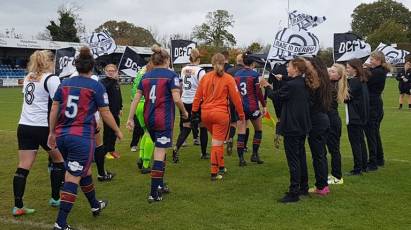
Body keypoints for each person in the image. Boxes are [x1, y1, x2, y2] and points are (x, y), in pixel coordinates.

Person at [48, 47, 123, 230]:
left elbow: (54, 108)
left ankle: (95, 205)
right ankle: (61, 223)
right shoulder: (95, 85)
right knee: (73, 176)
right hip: (80, 138)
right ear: (92, 67)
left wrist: (51, 132)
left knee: (85, 171)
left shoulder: (64, 83)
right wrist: (116, 130)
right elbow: (105, 112)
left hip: (62, 136)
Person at [126, 45, 188, 203]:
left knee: (161, 150)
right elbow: (176, 98)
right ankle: (154, 193)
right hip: (163, 119)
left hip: (148, 118)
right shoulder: (171, 75)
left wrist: (130, 118)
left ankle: (160, 184)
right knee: (159, 153)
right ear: (167, 60)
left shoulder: (146, 76)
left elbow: (135, 98)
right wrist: (184, 112)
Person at [12, 50, 65, 216]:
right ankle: (56, 198)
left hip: (24, 125)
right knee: (59, 161)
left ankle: (18, 206)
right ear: (48, 62)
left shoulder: (29, 77)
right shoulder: (51, 78)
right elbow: (60, 101)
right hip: (42, 126)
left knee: (23, 166)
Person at [262, 57, 312, 203]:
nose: (287, 69)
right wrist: (282, 78)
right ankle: (303, 187)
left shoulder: (294, 85)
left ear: (296, 68)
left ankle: (294, 192)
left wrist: (266, 86)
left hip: (292, 126)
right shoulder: (303, 82)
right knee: (301, 156)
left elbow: (276, 97)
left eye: (289, 67)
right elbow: (289, 84)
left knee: (293, 159)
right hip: (302, 125)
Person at [192, 53, 245, 180]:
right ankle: (214, 172)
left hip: (206, 114)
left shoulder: (205, 78)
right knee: (217, 142)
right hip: (221, 114)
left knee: (218, 140)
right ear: (224, 63)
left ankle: (221, 166)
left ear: (212, 63)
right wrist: (241, 114)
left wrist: (194, 111)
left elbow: (198, 96)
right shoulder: (228, 78)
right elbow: (236, 99)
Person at [172, 48, 209, 162]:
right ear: (198, 58)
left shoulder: (184, 69)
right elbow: (205, 88)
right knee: (203, 127)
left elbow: (182, 85)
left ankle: (176, 147)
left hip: (184, 101)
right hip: (196, 101)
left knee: (186, 127)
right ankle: (203, 153)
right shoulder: (200, 71)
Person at [305, 57, 332, 196]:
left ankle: (321, 186)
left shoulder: (316, 82)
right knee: (320, 154)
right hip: (323, 119)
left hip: (317, 121)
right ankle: (323, 185)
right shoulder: (324, 79)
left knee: (318, 155)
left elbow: (310, 102)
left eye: (308, 65)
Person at [234, 51, 267, 166]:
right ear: (253, 63)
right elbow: (258, 93)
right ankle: (254, 154)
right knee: (258, 130)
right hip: (253, 107)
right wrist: (264, 105)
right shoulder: (255, 75)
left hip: (240, 107)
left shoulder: (237, 74)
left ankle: (241, 159)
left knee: (241, 132)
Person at [364, 51, 390, 169]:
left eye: (373, 59)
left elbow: (365, 80)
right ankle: (379, 159)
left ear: (379, 60)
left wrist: (363, 70)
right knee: (374, 133)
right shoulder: (379, 71)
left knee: (371, 134)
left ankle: (373, 162)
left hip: (373, 105)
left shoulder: (377, 72)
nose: (370, 61)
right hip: (375, 104)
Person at [345, 59, 370, 175]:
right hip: (361, 115)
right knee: (360, 141)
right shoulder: (361, 80)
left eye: (348, 67)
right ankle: (363, 165)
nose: (346, 69)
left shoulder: (355, 81)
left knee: (356, 142)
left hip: (355, 116)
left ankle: (357, 168)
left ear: (355, 69)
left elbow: (346, 98)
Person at [326, 64, 350, 185]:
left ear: (338, 76)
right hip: (331, 119)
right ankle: (335, 174)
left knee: (334, 149)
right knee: (332, 149)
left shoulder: (332, 87)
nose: (329, 72)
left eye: (333, 71)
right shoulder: (331, 84)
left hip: (332, 121)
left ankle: (337, 176)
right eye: (330, 70)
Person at [132, 64, 155, 174]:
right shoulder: (151, 76)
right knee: (151, 134)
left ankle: (141, 157)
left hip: (138, 106)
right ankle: (146, 165)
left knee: (146, 132)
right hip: (146, 105)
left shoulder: (140, 73)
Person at [100, 64, 123, 159]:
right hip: (107, 112)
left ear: (116, 71)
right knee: (108, 132)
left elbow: (119, 95)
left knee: (114, 131)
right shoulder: (103, 82)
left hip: (116, 111)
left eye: (112, 70)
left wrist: (120, 107)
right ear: (105, 72)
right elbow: (105, 90)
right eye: (108, 70)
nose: (110, 72)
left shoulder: (116, 82)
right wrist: (113, 79)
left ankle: (112, 149)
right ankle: (106, 151)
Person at [226, 54, 245, 155]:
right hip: (242, 99)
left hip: (229, 99)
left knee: (232, 122)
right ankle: (243, 146)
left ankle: (229, 138)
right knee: (243, 123)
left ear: (236, 60)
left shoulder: (229, 71)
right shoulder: (245, 71)